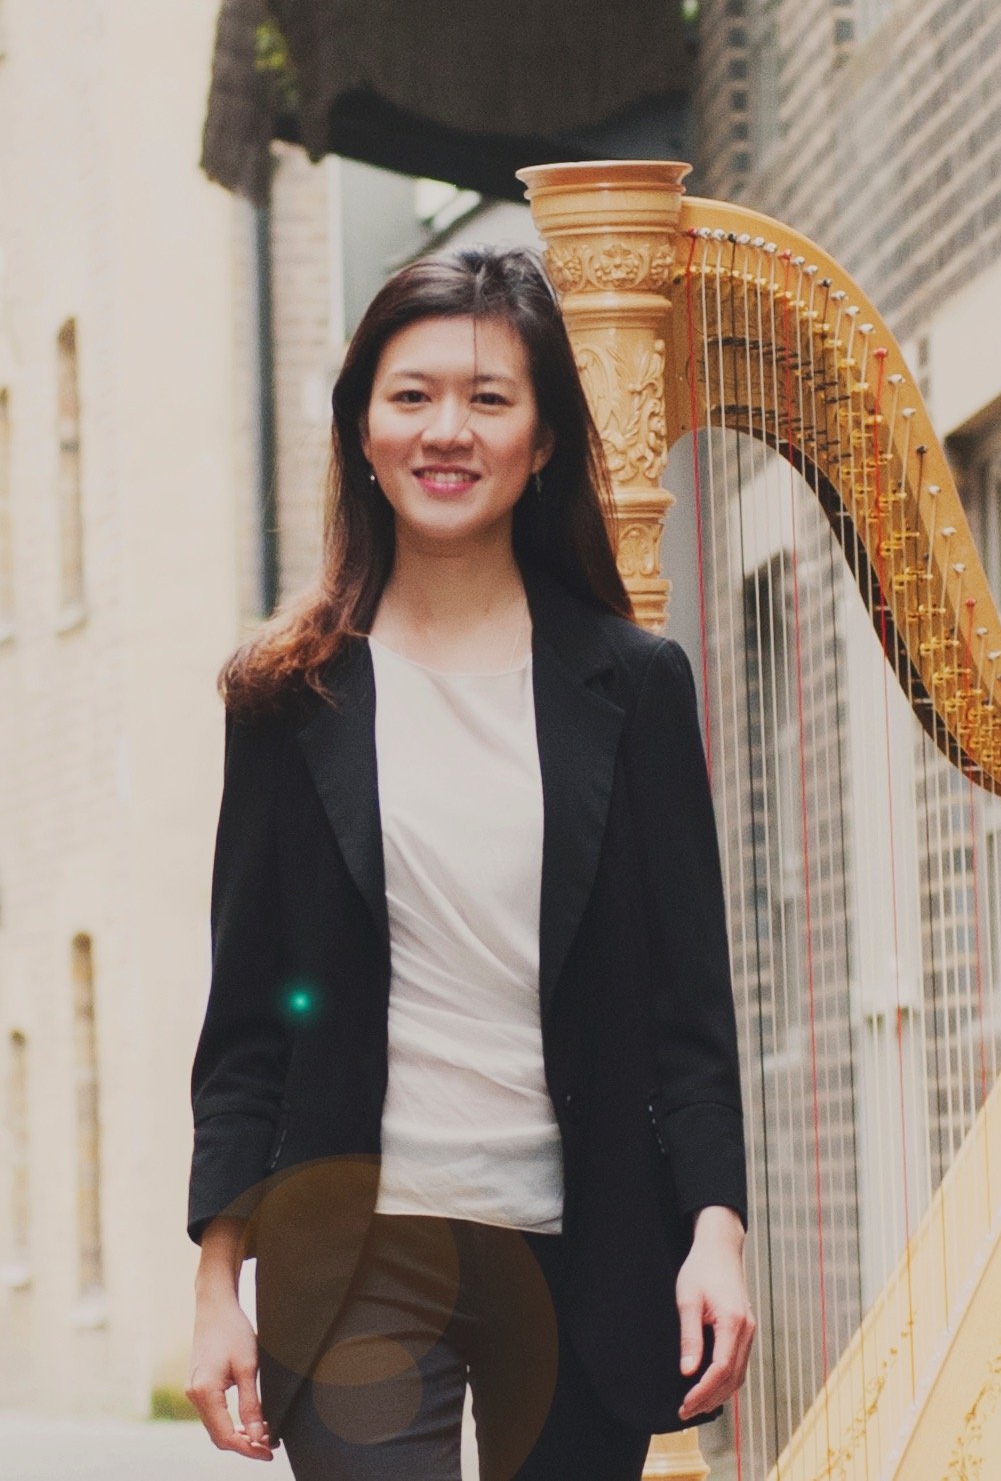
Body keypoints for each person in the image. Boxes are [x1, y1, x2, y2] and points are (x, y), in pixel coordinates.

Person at [183, 246, 754, 1480]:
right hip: (360, 1254)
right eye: (412, 394)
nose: (448, 431)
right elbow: (248, 1023)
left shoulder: (636, 689)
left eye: (490, 399)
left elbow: (687, 1014)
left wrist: (717, 1230)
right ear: (364, 428)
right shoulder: (285, 699)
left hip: (589, 1248)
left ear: (542, 441)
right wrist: (219, 1281)